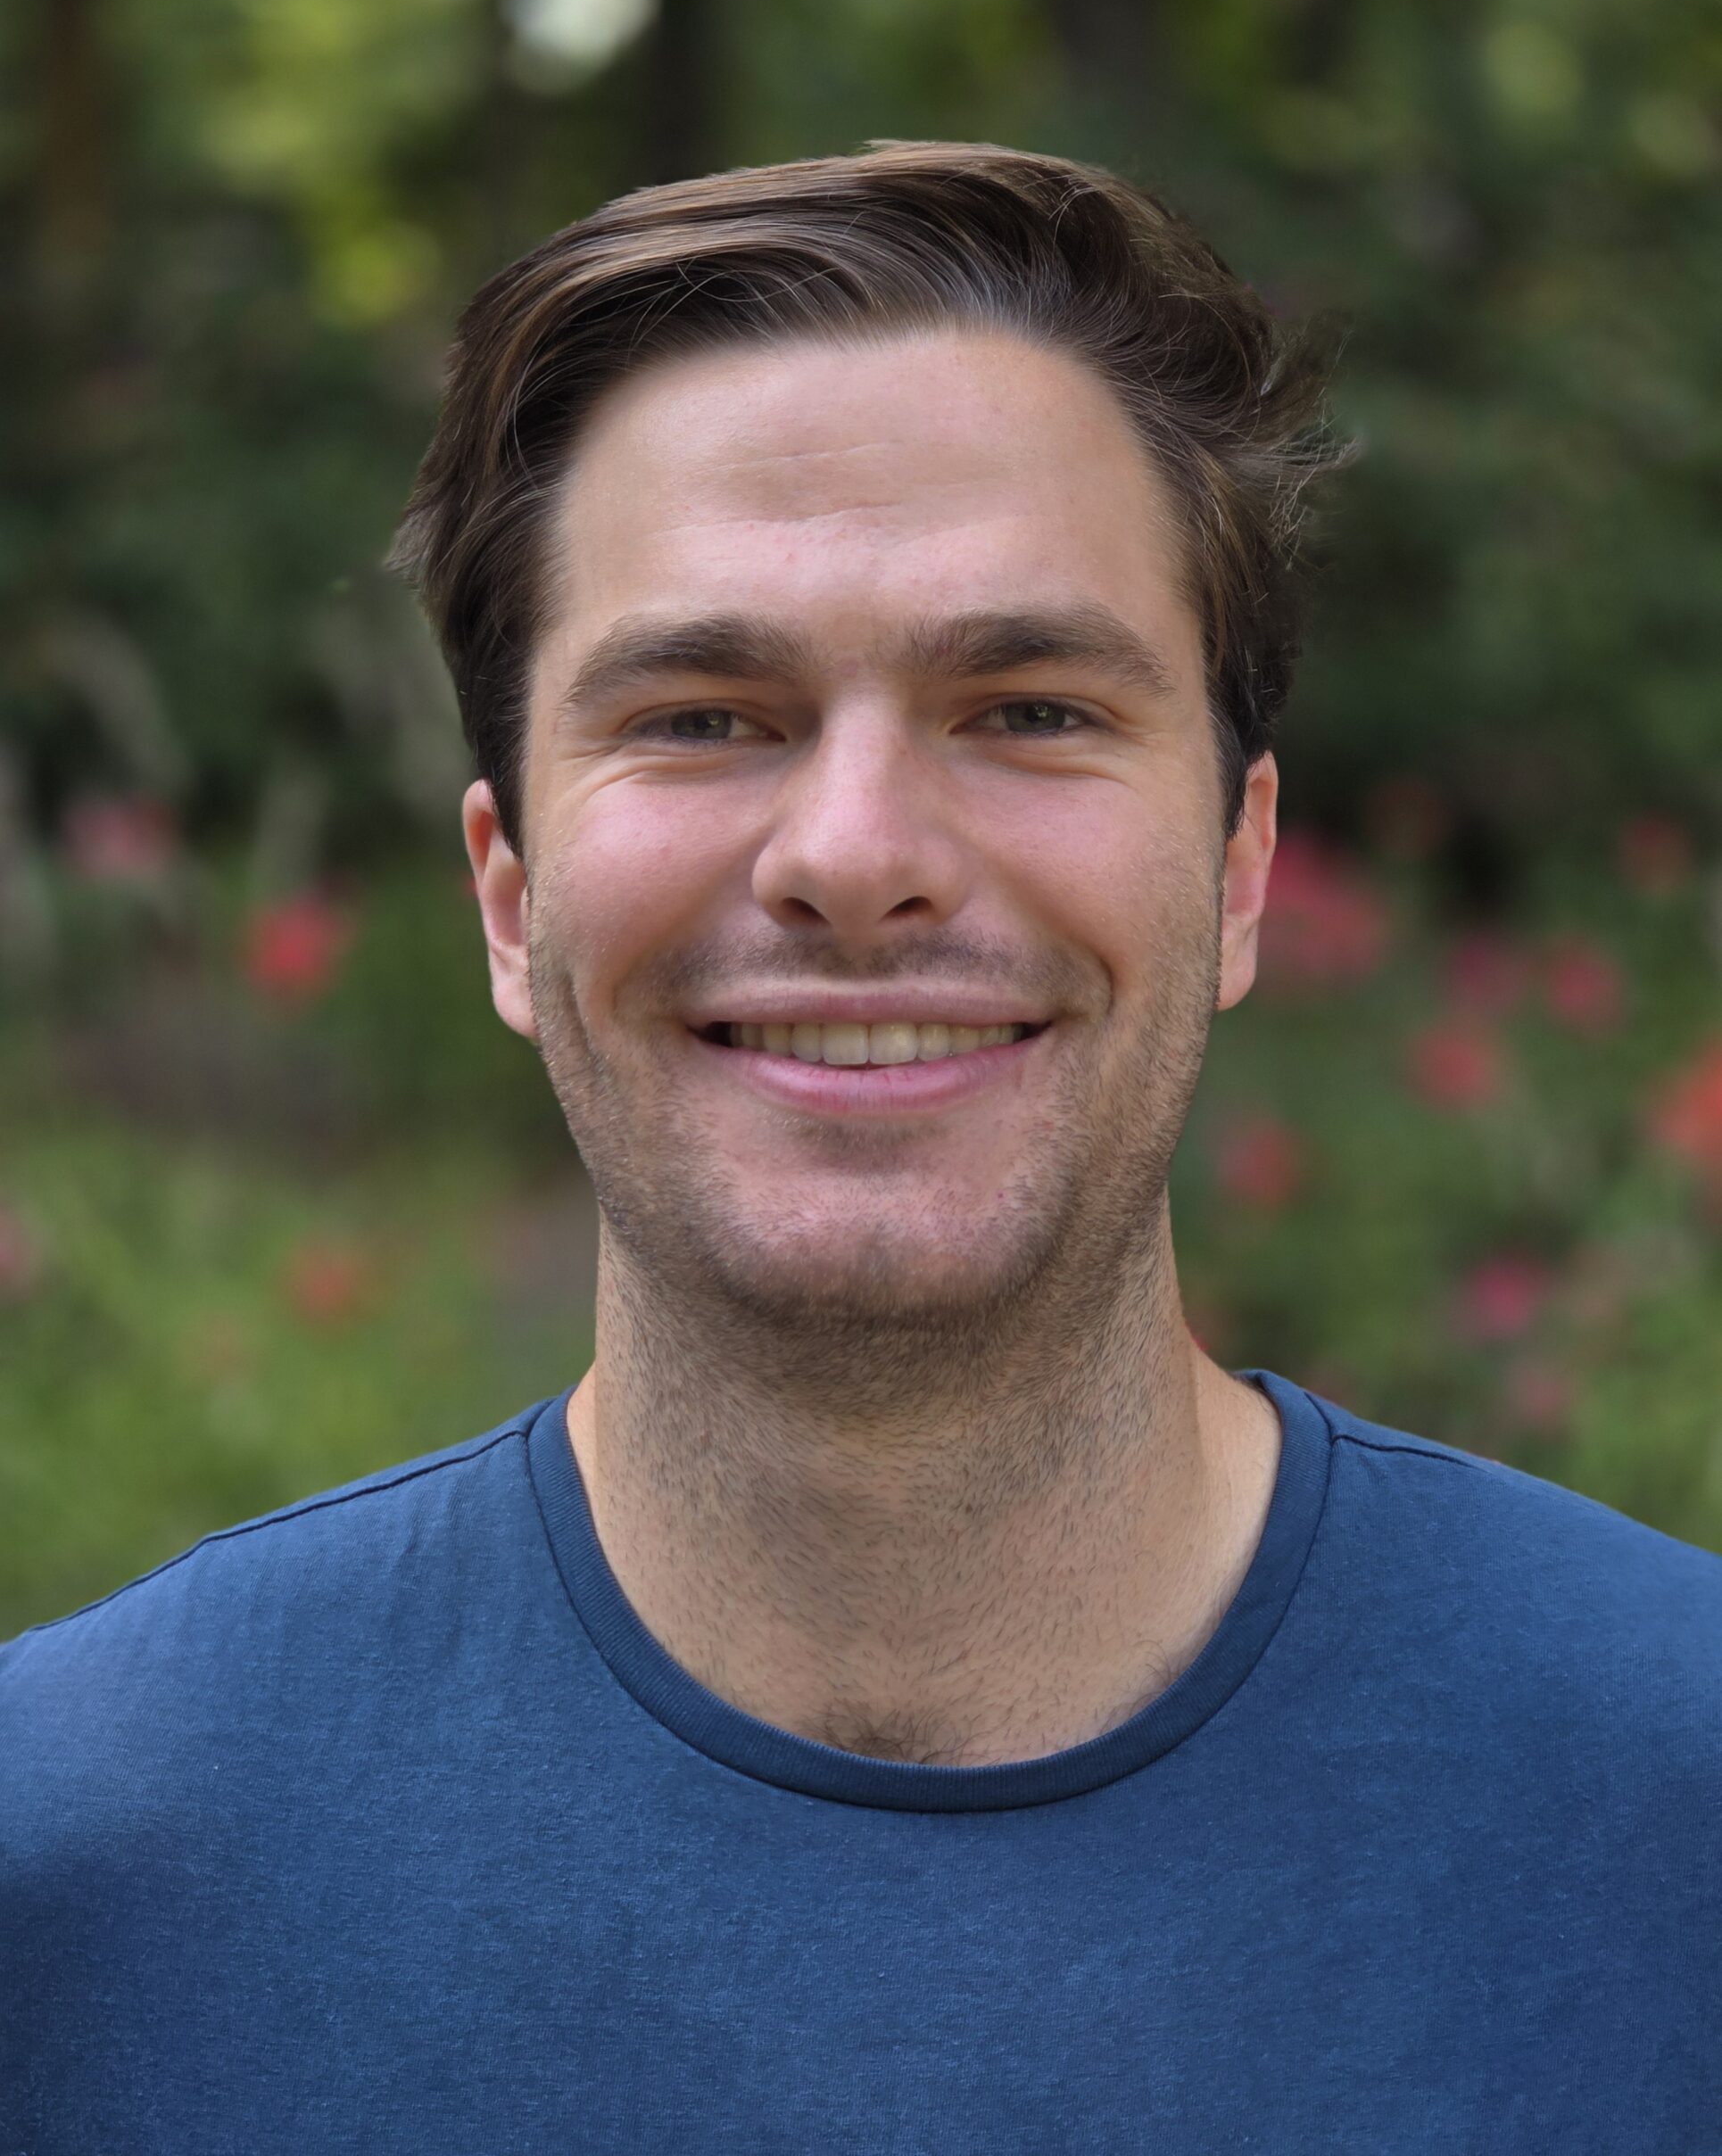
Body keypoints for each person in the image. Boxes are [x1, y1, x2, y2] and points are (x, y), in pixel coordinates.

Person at [4, 140, 1718, 2152]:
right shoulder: (74, 1871)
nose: (855, 858)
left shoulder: (1670, 1800)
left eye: (1028, 707)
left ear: (1238, 869)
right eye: (707, 714)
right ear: (505, 897)